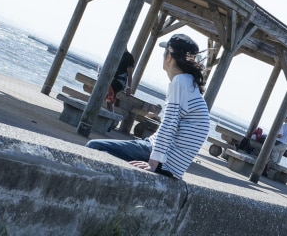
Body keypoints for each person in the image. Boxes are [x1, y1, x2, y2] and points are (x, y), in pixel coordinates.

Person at [86, 33, 209, 180]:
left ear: (169, 56)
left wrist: (153, 163)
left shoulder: (180, 82)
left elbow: (170, 123)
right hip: (173, 164)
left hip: (160, 157)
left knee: (94, 146)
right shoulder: (190, 84)